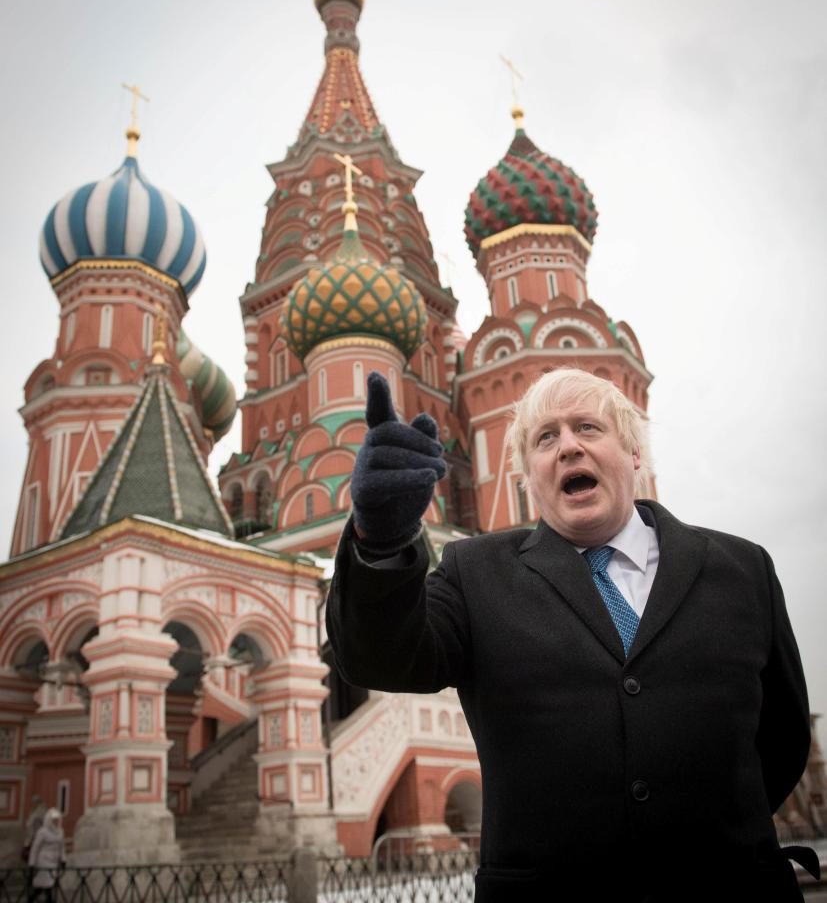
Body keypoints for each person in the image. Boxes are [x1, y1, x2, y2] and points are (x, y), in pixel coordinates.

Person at [326, 368, 819, 902]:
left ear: (633, 454)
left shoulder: (741, 570)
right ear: (528, 478)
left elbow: (782, 738)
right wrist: (381, 542)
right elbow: (382, 658)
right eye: (545, 438)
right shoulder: (476, 573)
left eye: (587, 427)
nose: (567, 448)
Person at [27, 808, 65, 903]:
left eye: (58, 819)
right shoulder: (42, 832)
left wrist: (63, 859)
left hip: (54, 861)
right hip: (43, 861)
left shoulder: (60, 831)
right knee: (45, 884)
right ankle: (42, 899)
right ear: (49, 820)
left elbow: (62, 846)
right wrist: (32, 863)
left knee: (49, 884)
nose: (56, 822)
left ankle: (39, 899)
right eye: (54, 820)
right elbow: (35, 848)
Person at [22, 795, 45, 863]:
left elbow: (42, 822)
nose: (33, 803)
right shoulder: (34, 810)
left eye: (34, 802)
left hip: (37, 836)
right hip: (32, 836)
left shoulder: (41, 810)